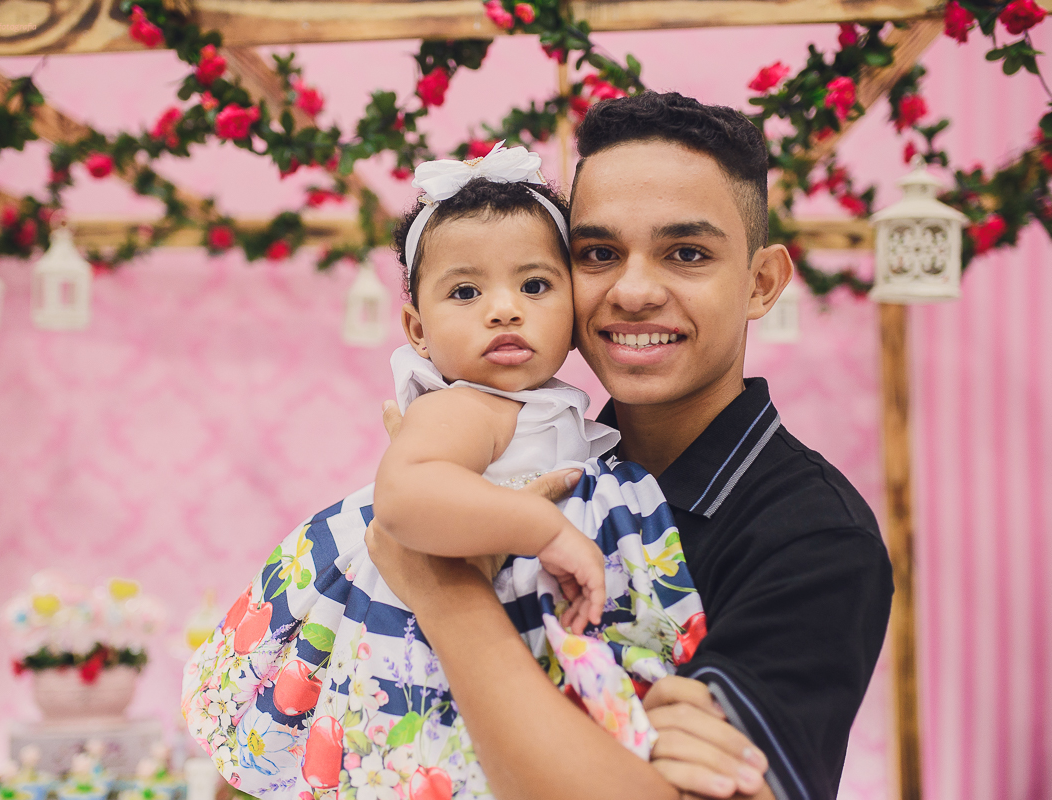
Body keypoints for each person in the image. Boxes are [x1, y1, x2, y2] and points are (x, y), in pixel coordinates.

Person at [367, 92, 893, 800]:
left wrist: (441, 589)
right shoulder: (535, 455)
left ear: (761, 282)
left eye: (686, 253)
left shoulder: (815, 537)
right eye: (599, 253)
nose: (635, 290)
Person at [182, 142, 706, 799]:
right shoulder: (466, 408)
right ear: (418, 329)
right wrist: (541, 528)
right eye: (465, 291)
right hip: (433, 625)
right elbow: (405, 497)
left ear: (574, 313)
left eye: (535, 285)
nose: (504, 308)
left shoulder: (545, 407)